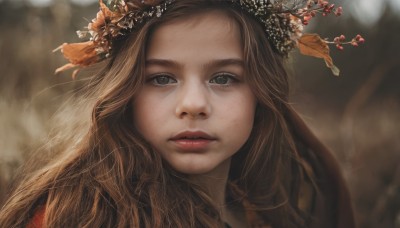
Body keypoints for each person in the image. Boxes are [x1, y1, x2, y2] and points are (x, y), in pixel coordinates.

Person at [0, 0, 362, 227]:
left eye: (223, 77)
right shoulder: (75, 217)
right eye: (160, 78)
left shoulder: (272, 210)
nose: (193, 104)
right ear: (125, 92)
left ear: (261, 92)